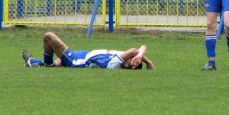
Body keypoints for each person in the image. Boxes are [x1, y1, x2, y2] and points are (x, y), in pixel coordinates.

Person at [21, 32, 156, 70]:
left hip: (76, 60)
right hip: (84, 55)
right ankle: (31, 62)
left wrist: (138, 56)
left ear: (127, 64)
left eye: (133, 59)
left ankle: (46, 64)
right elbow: (141, 47)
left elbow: (134, 50)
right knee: (58, 62)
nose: (135, 56)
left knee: (49, 37)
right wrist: (148, 62)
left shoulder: (114, 64)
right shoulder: (124, 58)